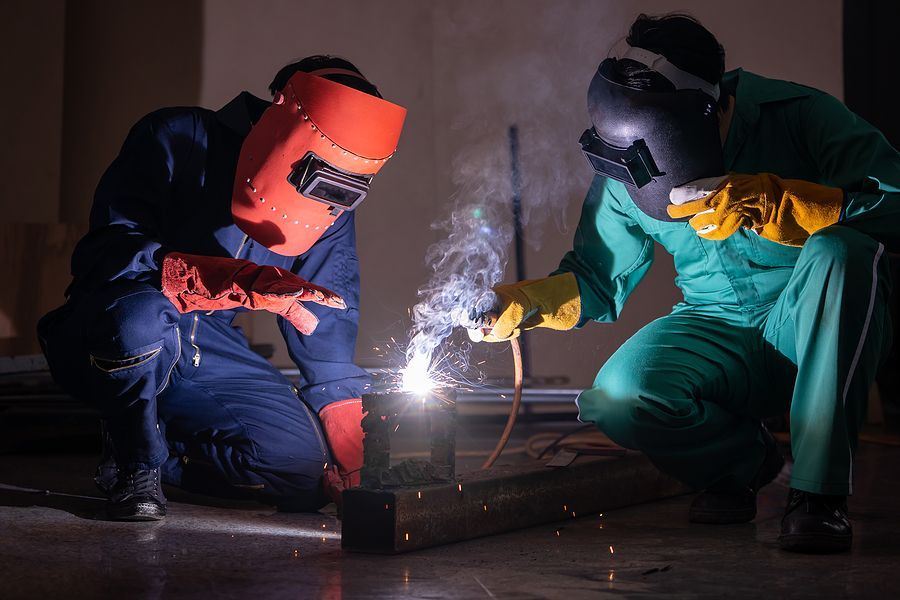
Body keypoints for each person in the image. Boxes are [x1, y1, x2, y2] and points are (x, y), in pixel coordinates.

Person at [479, 14, 899, 553]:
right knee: (616, 397)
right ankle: (740, 463)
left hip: (818, 314)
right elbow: (595, 278)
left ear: (715, 107)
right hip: (717, 327)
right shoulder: (626, 162)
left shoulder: (801, 115)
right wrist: (520, 304)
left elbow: (894, 204)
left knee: (841, 250)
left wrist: (788, 204)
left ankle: (818, 496)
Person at [37, 55, 406, 520]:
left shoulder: (333, 200)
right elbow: (108, 257)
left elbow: (326, 330)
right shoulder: (177, 135)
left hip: (206, 346)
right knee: (140, 320)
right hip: (118, 324)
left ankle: (150, 445)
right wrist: (232, 281)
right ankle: (136, 466)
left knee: (300, 471)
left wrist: (355, 453)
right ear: (283, 108)